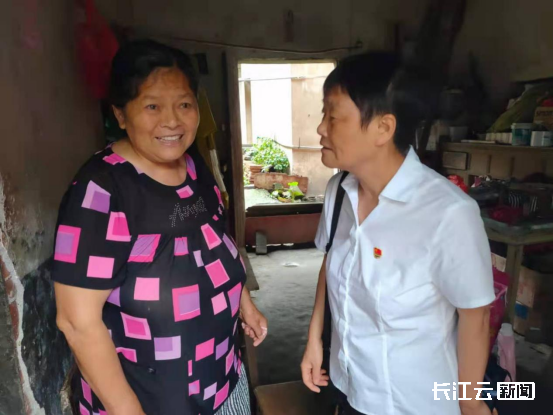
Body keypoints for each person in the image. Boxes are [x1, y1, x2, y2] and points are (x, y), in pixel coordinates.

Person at [53, 40, 267, 415]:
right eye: (152, 106)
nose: (172, 121)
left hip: (223, 381)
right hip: (150, 403)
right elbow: (77, 322)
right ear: (120, 114)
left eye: (184, 104)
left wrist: (242, 301)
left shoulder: (194, 167)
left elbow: (216, 242)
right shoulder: (101, 191)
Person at [301, 53, 498, 415]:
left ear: (383, 128)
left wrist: (470, 402)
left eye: (333, 116)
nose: (320, 129)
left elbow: (476, 315)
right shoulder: (338, 191)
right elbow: (331, 262)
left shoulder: (448, 213)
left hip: (413, 403)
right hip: (347, 387)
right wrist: (315, 340)